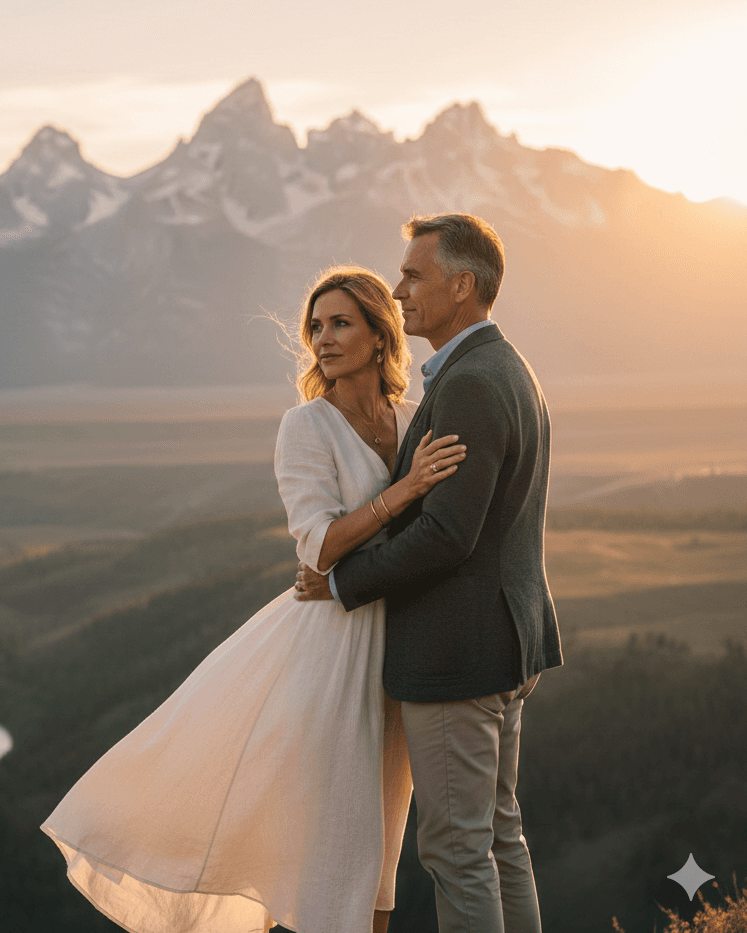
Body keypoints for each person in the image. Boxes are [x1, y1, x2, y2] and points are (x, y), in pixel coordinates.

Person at [41, 265, 467, 933]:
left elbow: (438, 535)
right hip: (331, 652)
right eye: (316, 327)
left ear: (382, 335)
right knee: (333, 844)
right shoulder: (306, 426)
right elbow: (318, 547)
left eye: (340, 324)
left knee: (382, 846)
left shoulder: (415, 419)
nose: (323, 339)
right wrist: (403, 492)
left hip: (404, 650)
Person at [295, 213, 564, 933]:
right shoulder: (506, 368)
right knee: (498, 837)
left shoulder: (471, 383)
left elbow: (447, 536)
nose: (400, 287)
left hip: (458, 652)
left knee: (456, 850)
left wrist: (344, 583)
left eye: (415, 275)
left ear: (463, 285)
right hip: (505, 640)